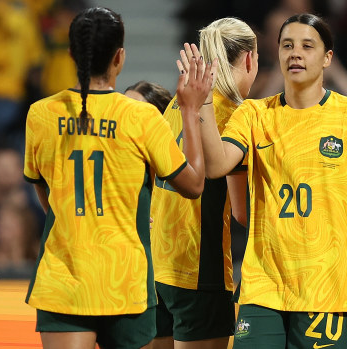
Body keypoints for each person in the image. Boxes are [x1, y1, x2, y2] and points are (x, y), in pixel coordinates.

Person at [190, 13, 347, 349]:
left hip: (327, 286)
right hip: (263, 285)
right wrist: (206, 101)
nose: (295, 53)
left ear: (328, 58)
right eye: (287, 45)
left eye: (307, 46)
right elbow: (215, 166)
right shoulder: (253, 114)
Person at [23, 7, 212, 349]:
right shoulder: (140, 117)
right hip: (125, 282)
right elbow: (195, 184)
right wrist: (190, 109)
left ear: (70, 54)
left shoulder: (41, 114)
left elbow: (43, 190)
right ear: (119, 57)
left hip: (63, 278)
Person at [149, 18, 256, 349]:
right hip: (200, 271)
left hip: (157, 268)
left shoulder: (175, 104)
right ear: (250, 59)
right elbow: (243, 213)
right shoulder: (238, 116)